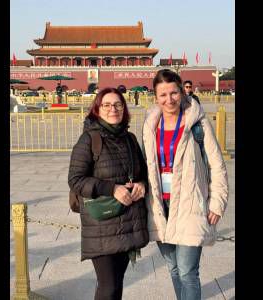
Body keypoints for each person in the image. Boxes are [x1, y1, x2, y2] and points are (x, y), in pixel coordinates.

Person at [142, 69, 228, 300]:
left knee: (188, 272)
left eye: (173, 93)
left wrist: (216, 203)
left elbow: (218, 165)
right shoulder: (150, 127)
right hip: (161, 208)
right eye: (163, 95)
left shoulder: (197, 123)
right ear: (155, 97)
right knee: (174, 269)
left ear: (182, 91)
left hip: (191, 204)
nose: (169, 100)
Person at [68, 87, 149, 300]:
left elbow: (142, 172)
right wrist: (112, 189)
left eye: (118, 104)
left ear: (124, 108)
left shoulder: (130, 139)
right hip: (102, 225)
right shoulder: (89, 139)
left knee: (117, 284)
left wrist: (142, 184)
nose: (113, 109)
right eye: (107, 105)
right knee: (108, 286)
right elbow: (75, 180)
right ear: (97, 109)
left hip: (127, 221)